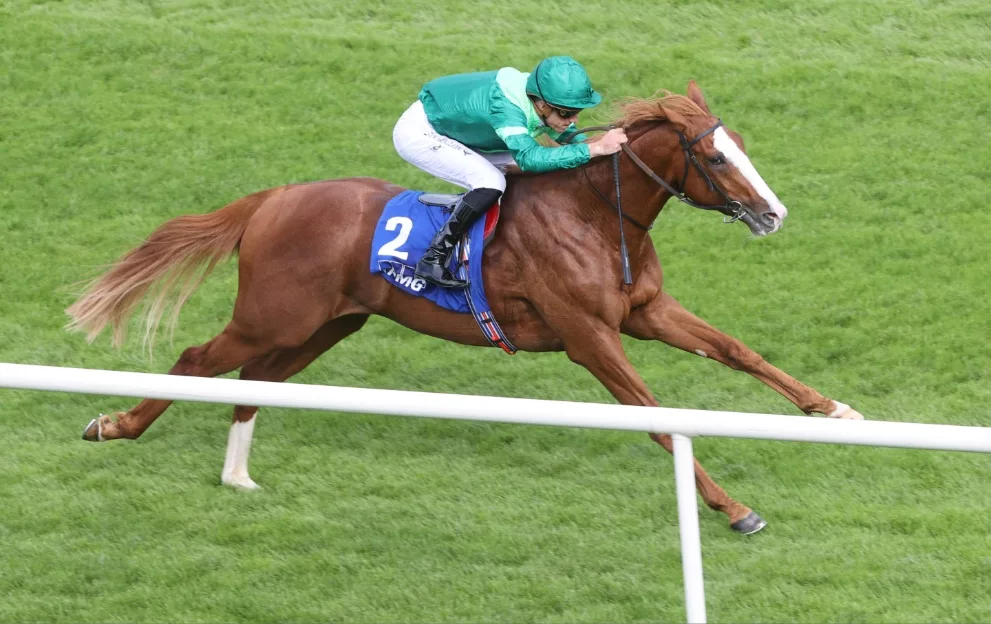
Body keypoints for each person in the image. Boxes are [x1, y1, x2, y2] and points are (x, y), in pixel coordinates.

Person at [392, 55, 629, 288]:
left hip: (466, 132)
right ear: (543, 105)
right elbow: (530, 159)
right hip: (423, 132)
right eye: (567, 113)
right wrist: (596, 148)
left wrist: (602, 148)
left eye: (576, 111)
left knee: (543, 169)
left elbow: (568, 137)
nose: (573, 119)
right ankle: (433, 258)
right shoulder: (507, 107)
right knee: (491, 181)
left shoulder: (539, 100)